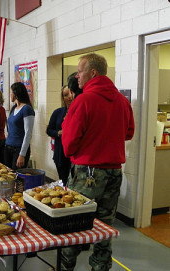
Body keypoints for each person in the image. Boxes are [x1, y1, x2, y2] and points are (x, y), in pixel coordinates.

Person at [61, 53, 135, 271]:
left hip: (87, 173)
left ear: (93, 73)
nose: (77, 75)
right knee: (105, 226)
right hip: (114, 172)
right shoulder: (122, 101)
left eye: (80, 71)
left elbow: (68, 146)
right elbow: (129, 133)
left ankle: (65, 266)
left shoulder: (83, 100)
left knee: (74, 221)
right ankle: (100, 266)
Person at [46, 85, 74, 186]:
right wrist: (58, 133)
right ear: (63, 98)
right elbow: (49, 130)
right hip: (60, 154)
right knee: (64, 181)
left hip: (75, 155)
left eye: (71, 93)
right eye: (66, 95)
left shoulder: (80, 112)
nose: (69, 97)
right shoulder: (58, 112)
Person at [4, 82, 35, 170]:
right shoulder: (14, 108)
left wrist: (22, 154)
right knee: (8, 175)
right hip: (8, 147)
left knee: (17, 179)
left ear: (16, 93)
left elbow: (28, 134)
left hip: (19, 149)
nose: (10, 95)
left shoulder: (27, 109)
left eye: (11, 92)